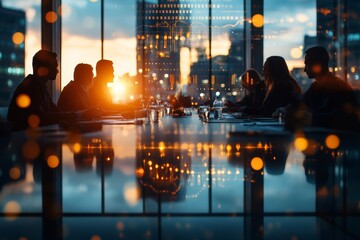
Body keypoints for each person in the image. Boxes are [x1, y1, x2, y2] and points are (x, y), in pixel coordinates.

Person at [7, 50, 96, 131]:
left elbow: (57, 112)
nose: (57, 71)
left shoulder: (39, 86)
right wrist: (80, 115)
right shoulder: (31, 88)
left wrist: (79, 114)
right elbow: (43, 118)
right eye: (54, 66)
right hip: (25, 141)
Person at [285, 46, 359, 130]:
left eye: (307, 64)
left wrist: (309, 117)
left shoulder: (337, 87)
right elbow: (303, 103)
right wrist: (286, 109)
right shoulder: (316, 86)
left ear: (316, 65)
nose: (305, 70)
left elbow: (343, 118)